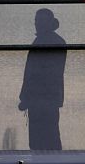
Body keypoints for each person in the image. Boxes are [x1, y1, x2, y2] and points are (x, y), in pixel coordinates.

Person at [18, 9, 67, 150]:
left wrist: (26, 96)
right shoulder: (55, 41)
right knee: (49, 138)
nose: (37, 24)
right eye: (36, 21)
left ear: (48, 22)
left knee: (40, 140)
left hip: (41, 99)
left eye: (40, 21)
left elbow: (33, 74)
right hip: (48, 98)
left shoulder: (42, 41)